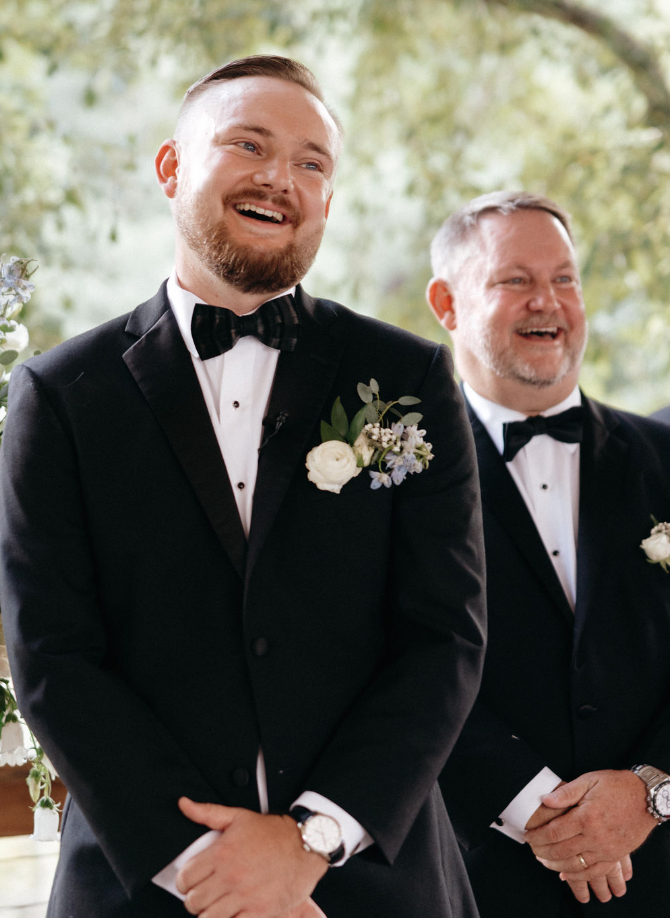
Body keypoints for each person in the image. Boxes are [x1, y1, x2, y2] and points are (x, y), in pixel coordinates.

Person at [0, 56, 487, 918]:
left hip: (373, 883)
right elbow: (52, 655)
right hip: (142, 886)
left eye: (312, 163)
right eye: (247, 144)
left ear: (329, 202)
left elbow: (444, 637)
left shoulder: (407, 377)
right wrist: (204, 868)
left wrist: (309, 842)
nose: (281, 178)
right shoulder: (60, 395)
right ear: (171, 167)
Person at [426, 191, 670, 918]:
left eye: (565, 279)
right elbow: (389, 664)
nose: (549, 302)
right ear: (446, 303)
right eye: (514, 280)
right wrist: (539, 810)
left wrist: (652, 790)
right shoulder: (401, 481)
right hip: (480, 885)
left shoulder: (664, 457)